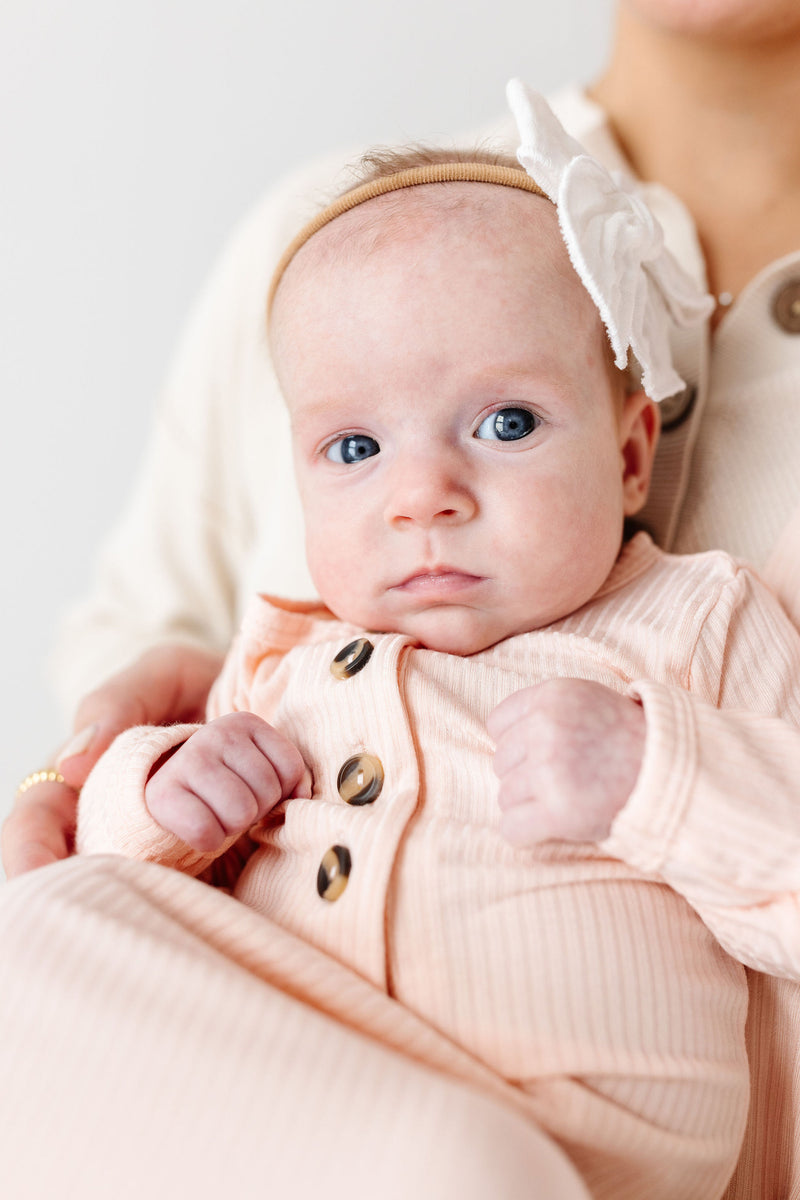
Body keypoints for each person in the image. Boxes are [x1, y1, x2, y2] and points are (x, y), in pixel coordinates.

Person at [3, 1, 800, 1195]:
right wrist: (139, 794)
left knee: (454, 1165)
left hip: (558, 1142)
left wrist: (654, 777)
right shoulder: (292, 645)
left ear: (629, 455)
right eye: (352, 451)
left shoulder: (699, 620)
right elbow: (117, 736)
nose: (421, 497)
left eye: (508, 424)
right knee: (32, 934)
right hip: (291, 1107)